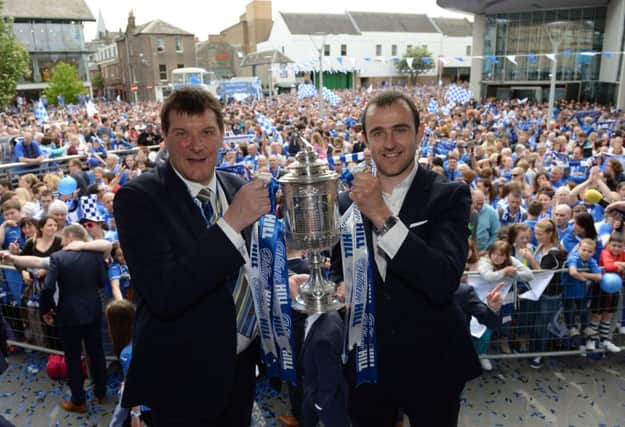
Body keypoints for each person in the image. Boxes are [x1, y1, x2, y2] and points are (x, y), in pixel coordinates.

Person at [114, 86, 271, 426]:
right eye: (182, 133)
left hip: (241, 368)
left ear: (222, 136)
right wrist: (230, 225)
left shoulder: (233, 185)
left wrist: (279, 281)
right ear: (165, 139)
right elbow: (166, 294)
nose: (197, 145)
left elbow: (244, 269)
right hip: (182, 382)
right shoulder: (137, 199)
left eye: (207, 132)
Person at [331, 91, 481, 427]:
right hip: (368, 364)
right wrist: (338, 284)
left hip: (433, 362)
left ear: (419, 132)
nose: (389, 143)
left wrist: (381, 215)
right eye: (377, 133)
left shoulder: (449, 195)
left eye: (400, 129)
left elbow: (442, 281)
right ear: (365, 138)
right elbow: (340, 268)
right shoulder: (345, 203)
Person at [39, 224, 108, 413]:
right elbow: (102, 281)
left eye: (63, 239)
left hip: (68, 313)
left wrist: (46, 310)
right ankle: (101, 393)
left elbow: (47, 288)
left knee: (73, 358)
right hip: (93, 310)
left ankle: (78, 401)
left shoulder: (58, 258)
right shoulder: (95, 256)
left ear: (70, 237)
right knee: (97, 353)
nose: (62, 242)